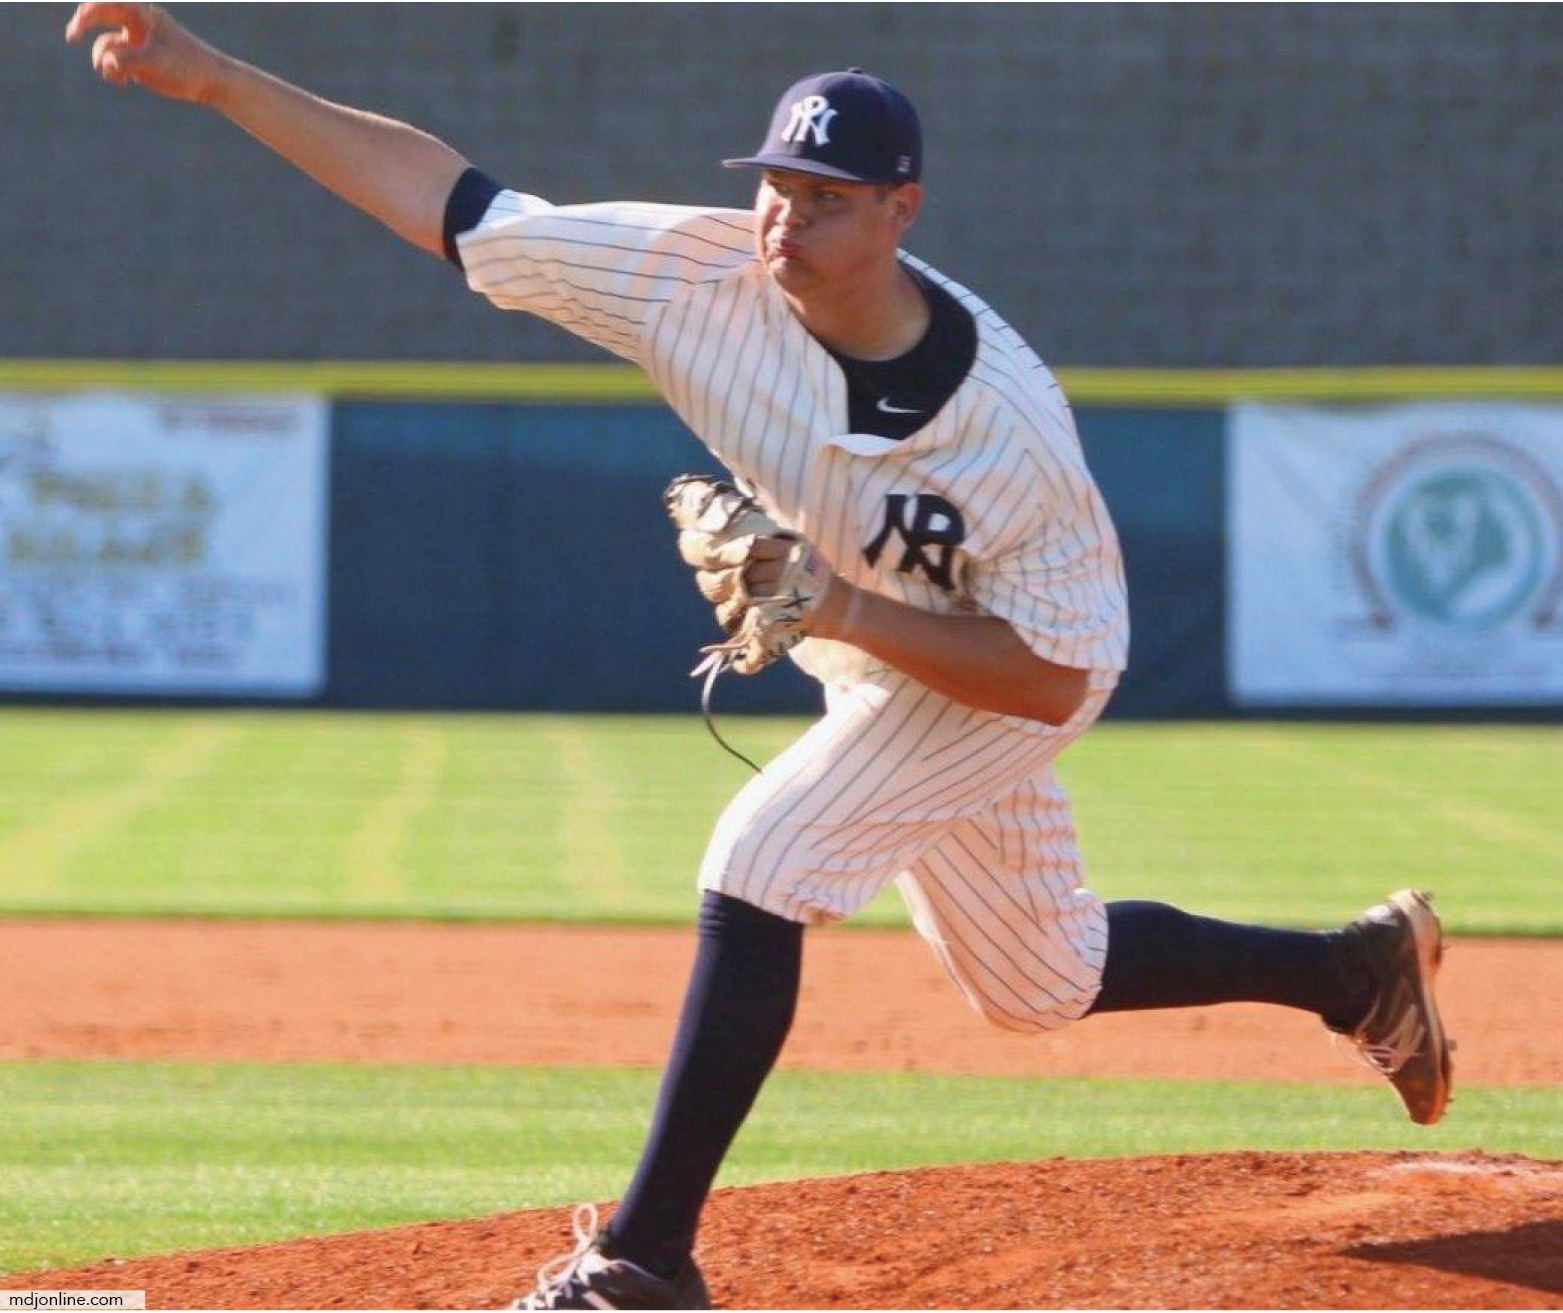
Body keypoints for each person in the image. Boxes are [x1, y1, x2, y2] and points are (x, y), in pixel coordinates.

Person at [67, 7, 1454, 1310]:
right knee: (1041, 977)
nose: (785, 214)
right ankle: (1357, 970)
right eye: (778, 181)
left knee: (762, 855)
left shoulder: (1008, 429)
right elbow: (459, 203)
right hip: (865, 644)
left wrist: (835, 607)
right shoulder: (696, 277)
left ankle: (644, 1259)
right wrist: (221, 78)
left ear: (903, 212)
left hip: (1018, 664)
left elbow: (1046, 676)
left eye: (829, 195)